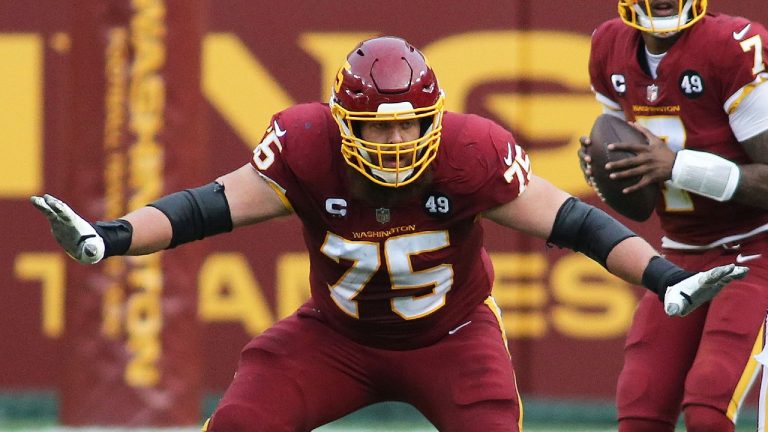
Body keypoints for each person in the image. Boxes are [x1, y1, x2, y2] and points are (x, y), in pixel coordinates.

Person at [33, 36, 747, 432]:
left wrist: (663, 278)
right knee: (242, 425)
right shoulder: (305, 147)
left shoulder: (470, 154)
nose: (398, 140)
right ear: (342, 125)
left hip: (454, 338)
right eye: (380, 126)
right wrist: (112, 237)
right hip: (333, 339)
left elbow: (576, 223)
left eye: (410, 123)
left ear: (436, 120)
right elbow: (203, 208)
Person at [578, 1, 768, 431]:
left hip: (756, 249)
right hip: (680, 254)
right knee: (640, 407)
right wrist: (606, 169)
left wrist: (678, 166)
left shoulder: (730, 45)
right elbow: (636, 187)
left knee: (707, 407)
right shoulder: (609, 46)